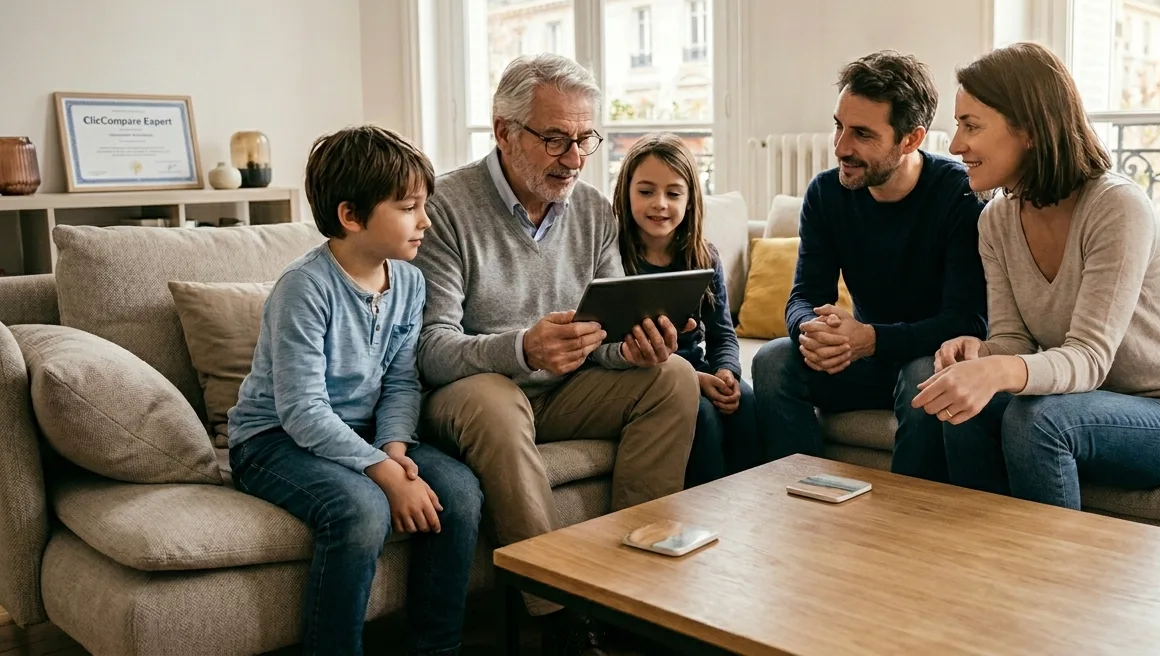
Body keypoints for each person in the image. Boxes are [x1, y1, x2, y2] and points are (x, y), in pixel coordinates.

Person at [411, 54, 698, 649]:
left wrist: (635, 350)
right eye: (555, 139)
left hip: (563, 393)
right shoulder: (444, 208)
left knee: (672, 376)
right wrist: (523, 348)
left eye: (585, 139)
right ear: (503, 131)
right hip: (472, 398)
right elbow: (430, 349)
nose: (574, 158)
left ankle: (635, 593)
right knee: (495, 400)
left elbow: (607, 338)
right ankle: (558, 614)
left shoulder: (592, 211)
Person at [914, 41, 1160, 510]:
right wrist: (980, 355)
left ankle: (1049, 559)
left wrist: (996, 371)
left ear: (1029, 129)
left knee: (1036, 419)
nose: (955, 145)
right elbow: (1014, 342)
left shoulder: (1116, 206)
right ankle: (980, 550)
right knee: (961, 405)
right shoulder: (995, 220)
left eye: (971, 126)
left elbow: (1090, 357)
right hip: (1080, 409)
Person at [226, 125, 482, 656]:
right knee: (362, 511)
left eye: (424, 205)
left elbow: (402, 380)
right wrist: (382, 471)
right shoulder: (305, 287)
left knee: (458, 493)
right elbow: (301, 410)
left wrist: (395, 449)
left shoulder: (409, 281)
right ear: (350, 215)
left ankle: (436, 649)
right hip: (274, 440)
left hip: (363, 433)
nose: (426, 220)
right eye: (409, 208)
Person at [752, 50, 989, 482]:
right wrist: (813, 329)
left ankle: (903, 515)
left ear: (911, 139)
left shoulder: (960, 196)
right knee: (773, 360)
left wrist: (870, 339)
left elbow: (965, 321)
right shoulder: (825, 194)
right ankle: (805, 499)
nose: (841, 147)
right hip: (866, 363)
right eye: (839, 126)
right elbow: (804, 295)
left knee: (924, 374)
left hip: (925, 358)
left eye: (861, 133)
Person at [612, 133, 762, 487]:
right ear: (626, 193)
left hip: (702, 370)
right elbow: (618, 348)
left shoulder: (704, 257)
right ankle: (703, 511)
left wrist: (726, 372)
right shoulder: (614, 258)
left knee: (747, 403)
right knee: (703, 416)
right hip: (649, 378)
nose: (660, 204)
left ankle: (751, 507)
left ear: (691, 198)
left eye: (674, 193)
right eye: (646, 191)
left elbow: (723, 334)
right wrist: (697, 381)